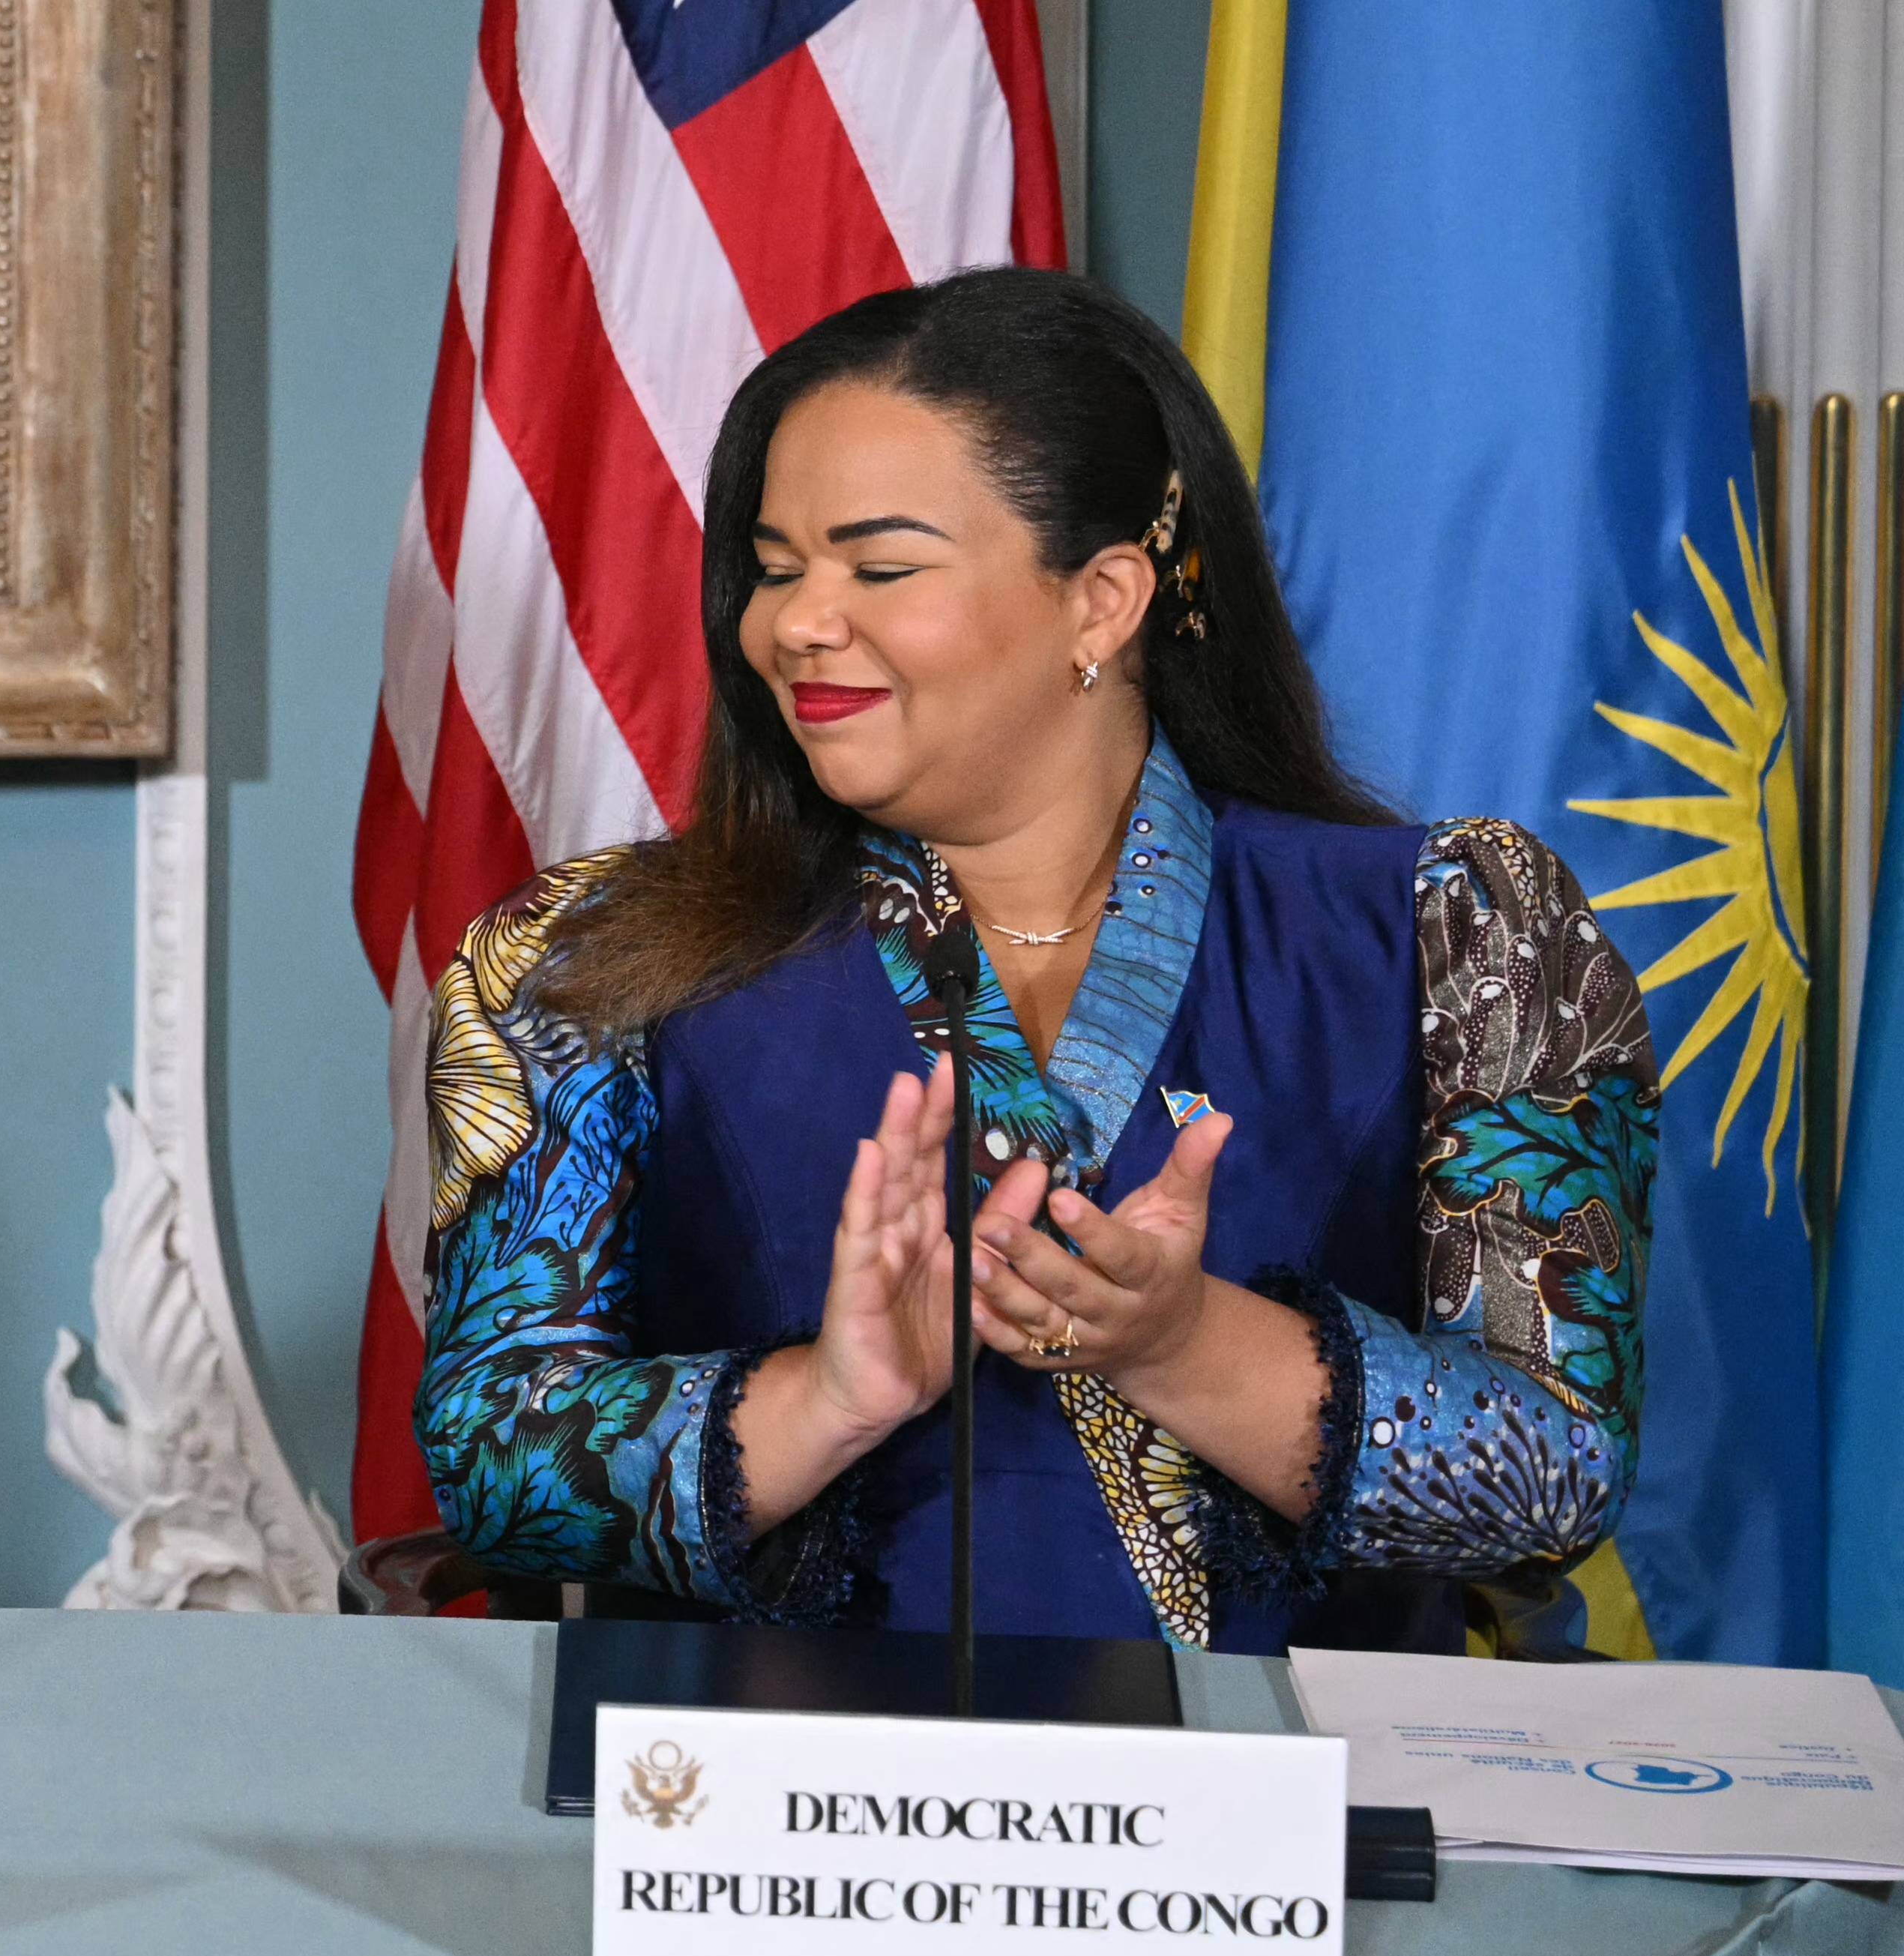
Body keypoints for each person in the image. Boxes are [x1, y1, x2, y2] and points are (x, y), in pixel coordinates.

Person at [416, 266, 1654, 1648]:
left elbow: (1559, 1473)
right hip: (779, 1830)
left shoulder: (1464, 931)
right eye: (775, 569)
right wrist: (827, 1396)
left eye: (880, 568)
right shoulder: (581, 964)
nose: (797, 624)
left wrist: (1185, 1345)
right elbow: (490, 1457)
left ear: (1104, 600)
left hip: (1293, 1831)